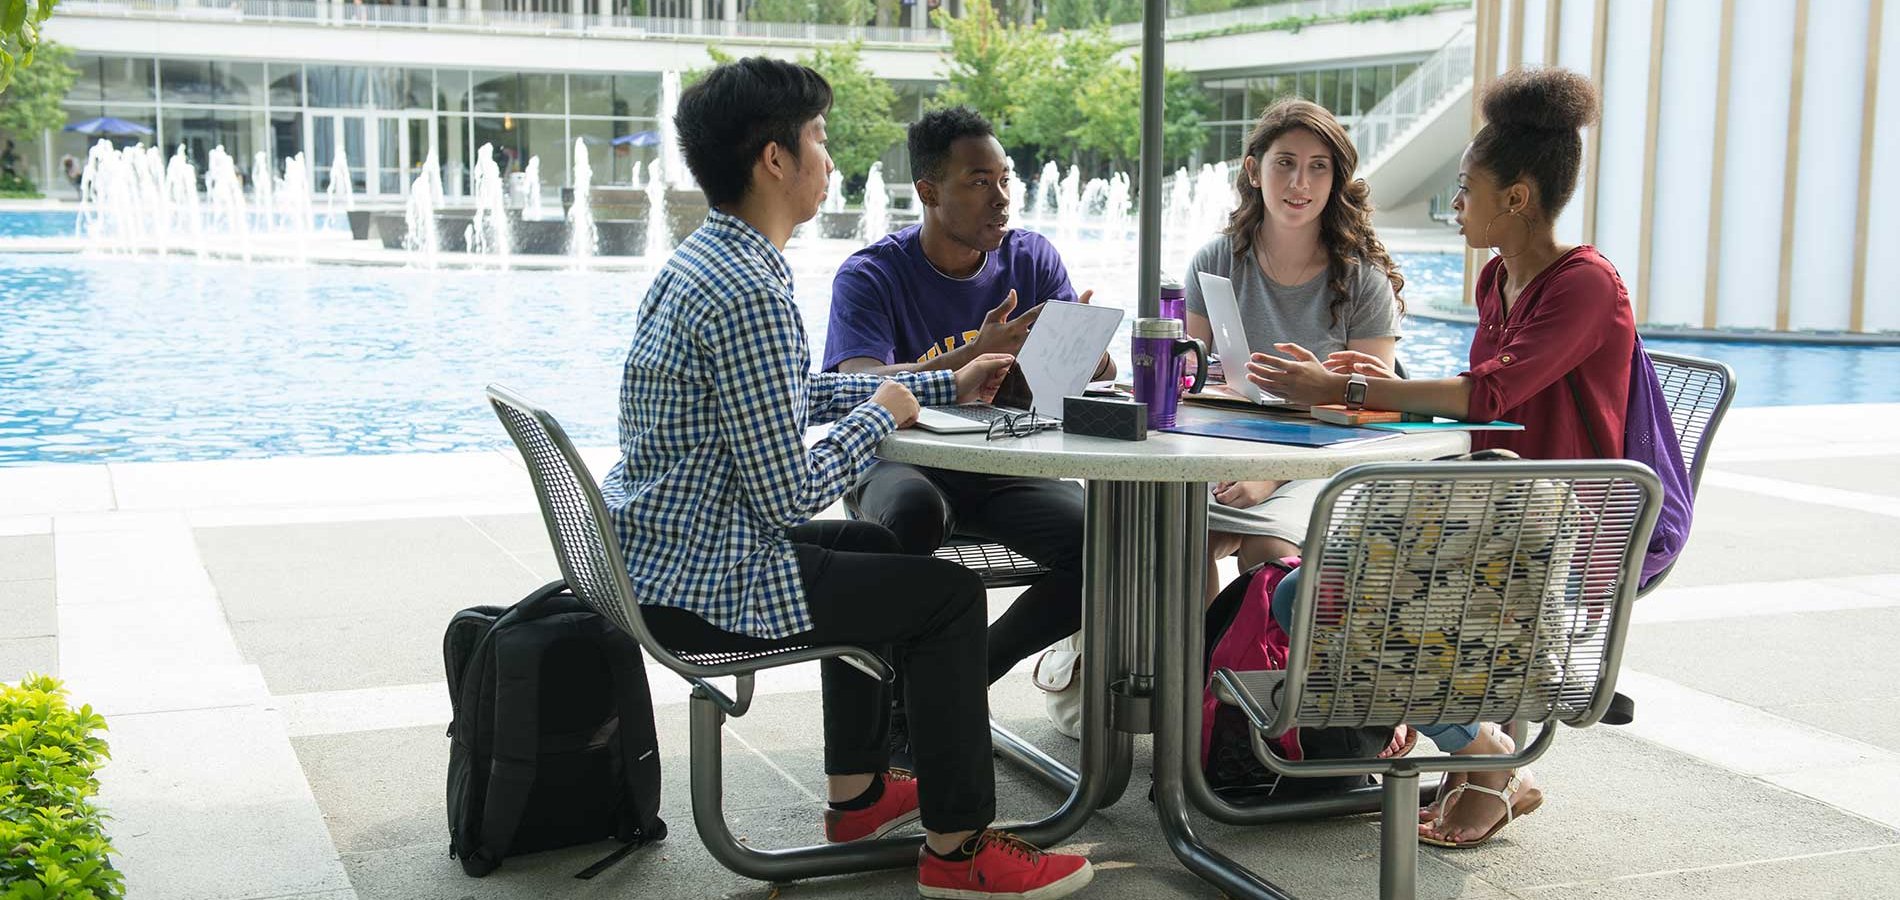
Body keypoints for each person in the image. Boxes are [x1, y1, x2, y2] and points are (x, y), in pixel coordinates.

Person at [599, 58, 1094, 899]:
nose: (830, 160)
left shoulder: (707, 262)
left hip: (659, 551)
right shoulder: (750, 289)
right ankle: (959, 850)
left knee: (871, 541)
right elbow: (788, 493)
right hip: (704, 576)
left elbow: (794, 395)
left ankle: (858, 793)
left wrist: (939, 380)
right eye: (820, 139)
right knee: (944, 597)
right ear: (775, 160)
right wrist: (885, 415)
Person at [1245, 67, 1621, 849]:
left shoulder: (1586, 284)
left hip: (1552, 519)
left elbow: (1491, 395)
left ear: (1515, 197)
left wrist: (1342, 391)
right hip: (1481, 508)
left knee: (1317, 597)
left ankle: (1482, 760)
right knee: (1298, 596)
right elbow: (1479, 403)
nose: (1455, 204)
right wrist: (1385, 386)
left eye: (1465, 187)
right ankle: (1481, 753)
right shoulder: (1496, 279)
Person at [823, 107, 1108, 740]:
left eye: (1005, 180)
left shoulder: (1032, 259)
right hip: (902, 461)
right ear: (928, 191)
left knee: (1105, 548)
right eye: (980, 182)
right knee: (908, 522)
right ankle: (901, 705)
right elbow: (853, 391)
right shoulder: (871, 274)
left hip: (1009, 465)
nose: (1001, 199)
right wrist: (969, 357)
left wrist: (1084, 360)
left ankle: (950, 679)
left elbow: (1052, 388)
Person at [1182, 98, 1404, 602]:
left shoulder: (1362, 279)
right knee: (1171, 538)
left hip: (1319, 468)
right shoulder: (1215, 260)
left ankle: (1250, 675)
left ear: (1334, 182)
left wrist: (1272, 475)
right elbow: (1185, 380)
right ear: (1254, 171)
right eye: (1285, 163)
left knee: (1268, 550)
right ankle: (1200, 668)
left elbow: (1375, 414)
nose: (1300, 183)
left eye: (1317, 168)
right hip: (1226, 455)